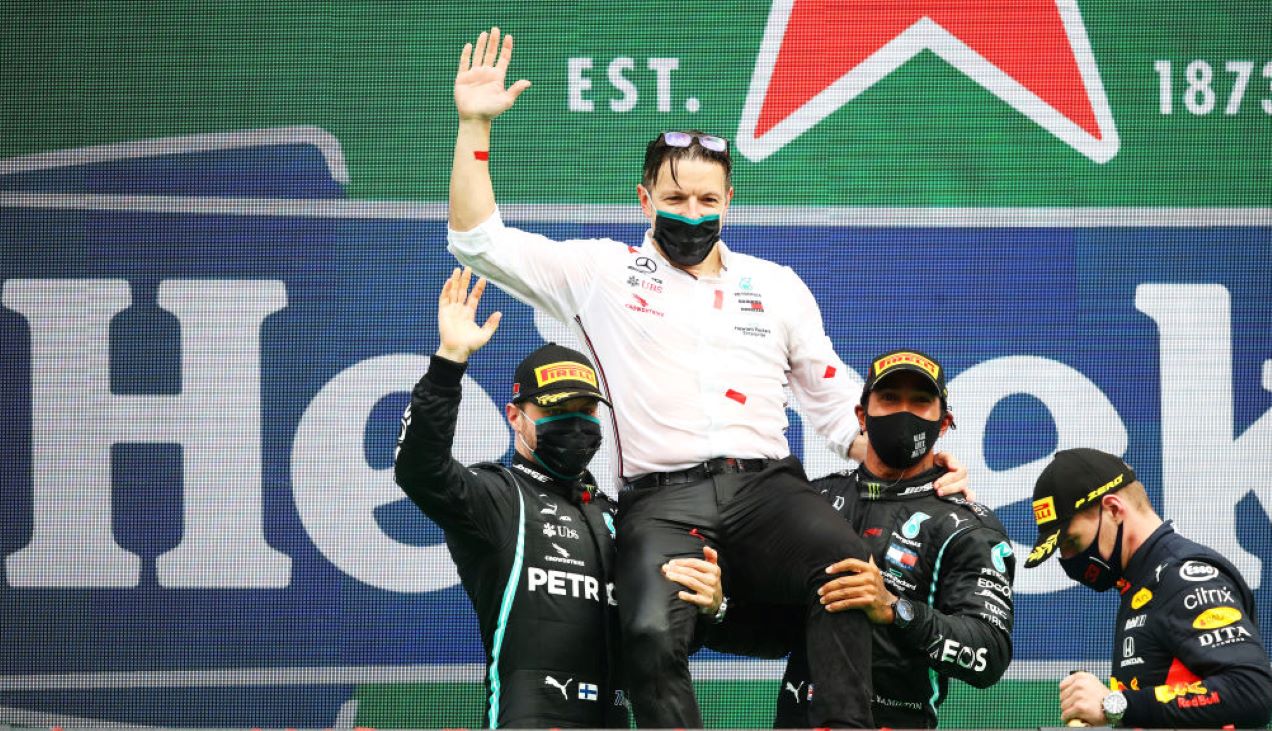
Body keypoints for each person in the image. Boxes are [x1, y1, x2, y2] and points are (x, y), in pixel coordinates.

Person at [444, 27, 968, 728]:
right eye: (675, 197)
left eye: (706, 201)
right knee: (650, 632)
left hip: (768, 488)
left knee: (845, 569)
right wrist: (475, 126)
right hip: (665, 501)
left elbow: (841, 410)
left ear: (729, 201)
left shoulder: (776, 285)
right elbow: (477, 239)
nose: (691, 214)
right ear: (643, 197)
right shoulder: (599, 272)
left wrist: (925, 468)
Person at [393, 268, 725, 729]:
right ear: (515, 417)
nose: (575, 424)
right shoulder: (499, 496)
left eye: (586, 410)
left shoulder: (618, 514)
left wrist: (711, 608)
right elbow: (419, 470)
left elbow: (663, 637)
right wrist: (449, 361)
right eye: (555, 411)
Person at [770, 349, 1014, 728]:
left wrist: (896, 609)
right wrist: (720, 608)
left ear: (945, 423)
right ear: (861, 416)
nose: (904, 412)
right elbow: (771, 629)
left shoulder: (966, 527)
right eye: (889, 399)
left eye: (920, 402)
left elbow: (989, 656)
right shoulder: (812, 502)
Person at [1024, 448, 1272, 728]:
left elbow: (1250, 690)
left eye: (1071, 543)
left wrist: (1113, 705)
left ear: (1114, 510)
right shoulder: (1141, 583)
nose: (1068, 560)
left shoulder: (1184, 577)